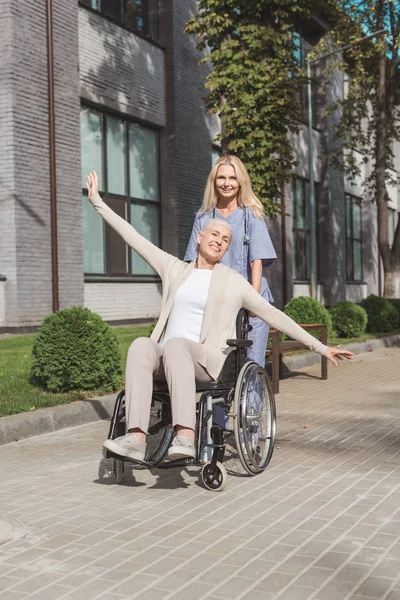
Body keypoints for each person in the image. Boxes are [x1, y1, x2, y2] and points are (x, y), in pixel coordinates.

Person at [85, 171, 353, 464]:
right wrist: (97, 201)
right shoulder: (175, 269)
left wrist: (321, 347)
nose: (219, 241)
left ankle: (185, 436)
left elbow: (274, 315)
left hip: (205, 361)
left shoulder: (234, 281)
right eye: (214, 235)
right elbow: (134, 238)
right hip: (168, 358)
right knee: (140, 344)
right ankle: (136, 438)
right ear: (199, 237)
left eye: (225, 240)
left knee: (176, 345)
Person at [185, 155, 276, 368]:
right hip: (218, 301)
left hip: (250, 296)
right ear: (214, 182)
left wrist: (252, 302)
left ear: (241, 181)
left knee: (251, 363)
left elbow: (257, 262)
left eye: (232, 178)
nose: (227, 183)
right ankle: (218, 403)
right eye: (221, 178)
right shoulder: (203, 217)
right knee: (219, 364)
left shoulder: (251, 215)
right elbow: (194, 263)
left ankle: (252, 402)